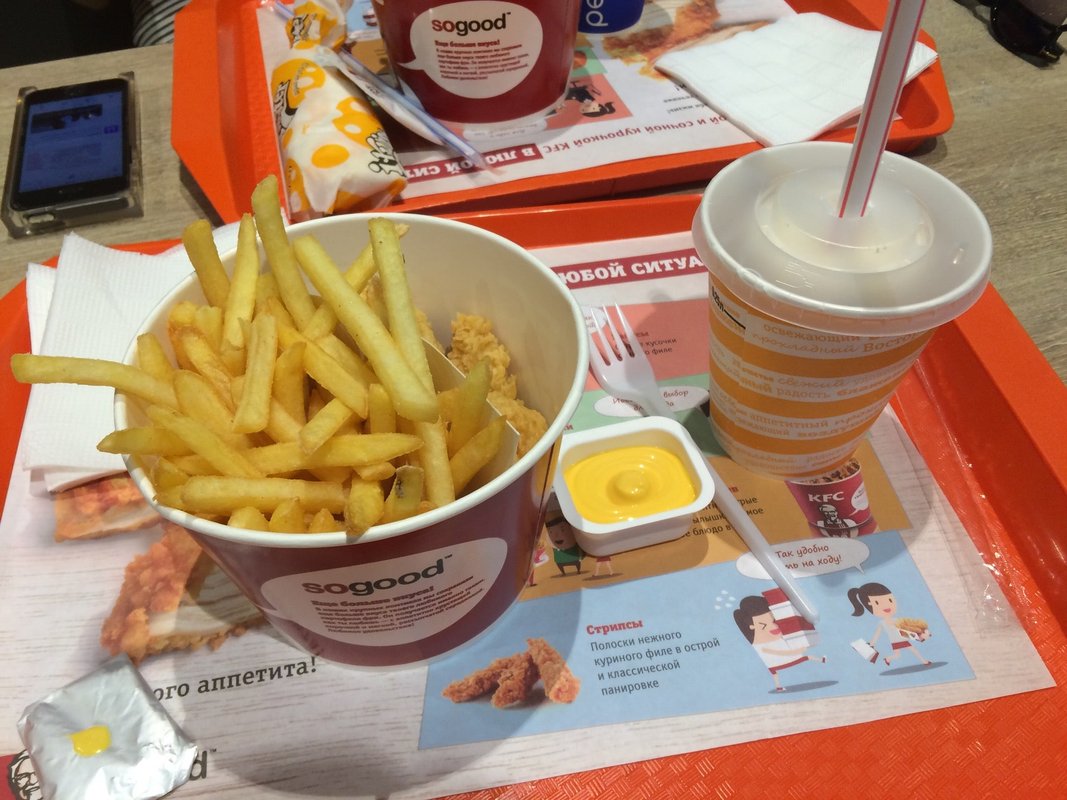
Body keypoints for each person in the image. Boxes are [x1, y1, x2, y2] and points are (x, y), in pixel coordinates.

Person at [734, 595, 826, 692]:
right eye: (763, 625)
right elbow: (778, 653)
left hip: (783, 659)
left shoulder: (777, 637)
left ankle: (778, 686)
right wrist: (796, 651)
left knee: (804, 659)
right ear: (751, 626)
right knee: (807, 657)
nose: (774, 626)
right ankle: (778, 686)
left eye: (774, 621)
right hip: (782, 660)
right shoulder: (761, 645)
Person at [847, 582, 931, 666]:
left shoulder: (896, 620)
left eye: (890, 600)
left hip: (902, 639)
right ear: (869, 604)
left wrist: (918, 633)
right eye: (877, 602)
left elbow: (905, 628)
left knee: (909, 651)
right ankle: (889, 659)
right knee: (900, 654)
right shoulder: (882, 623)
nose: (886, 605)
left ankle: (890, 659)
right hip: (896, 641)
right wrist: (871, 645)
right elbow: (877, 634)